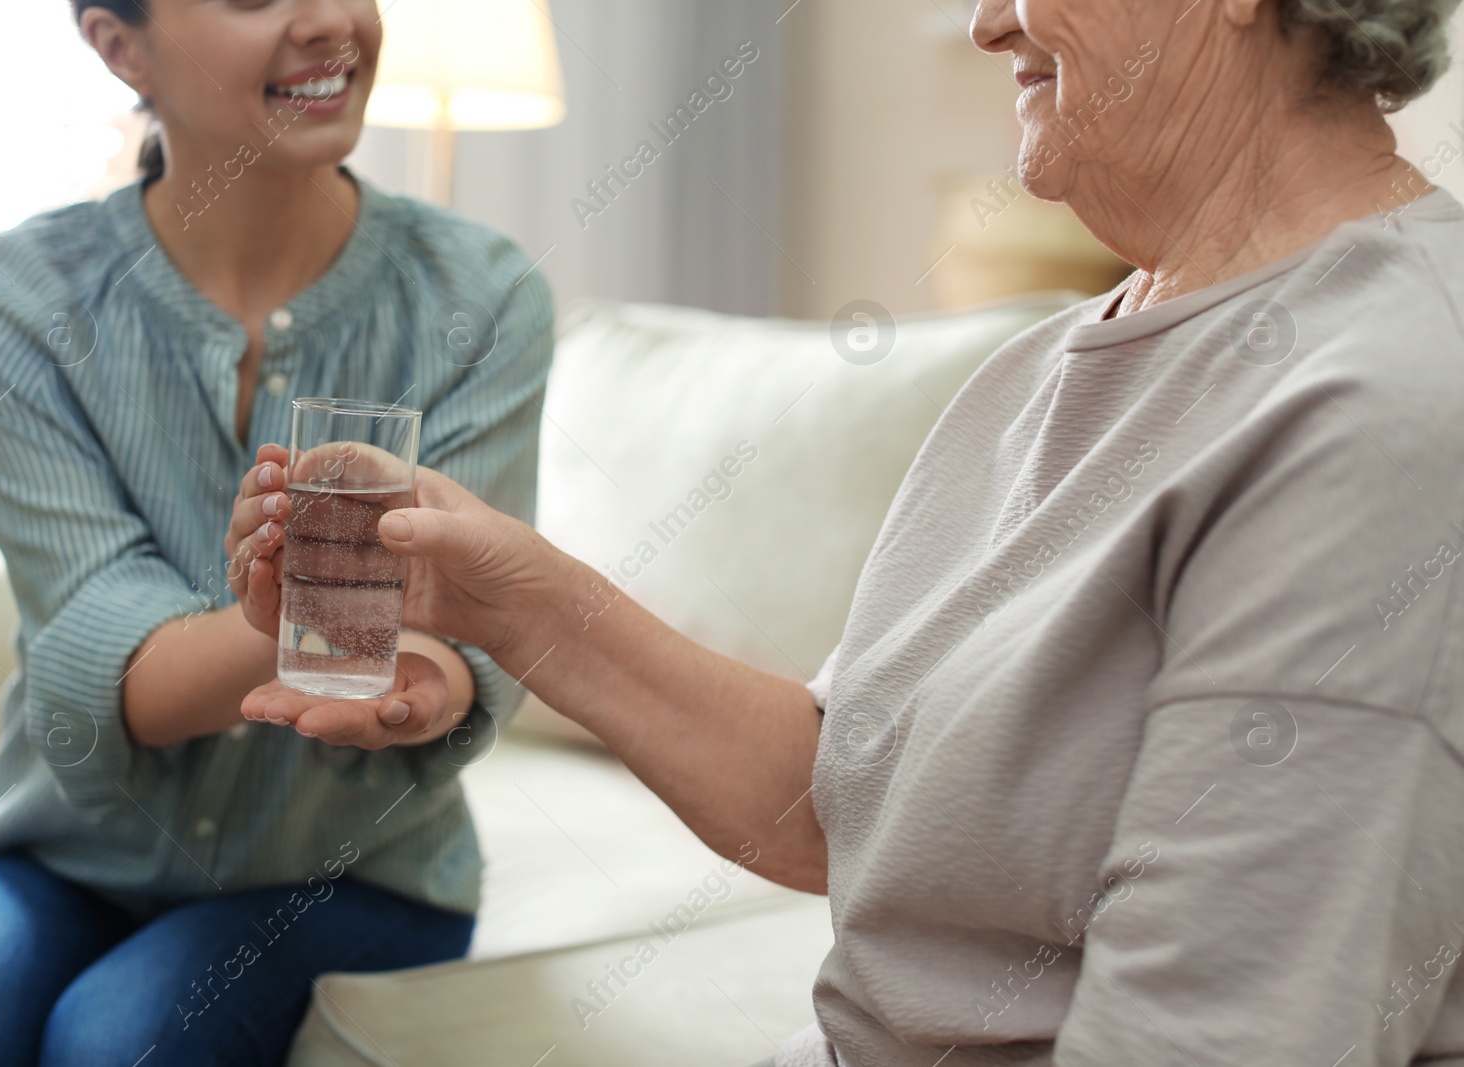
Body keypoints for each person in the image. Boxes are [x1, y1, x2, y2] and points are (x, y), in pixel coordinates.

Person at [245, 0, 1464, 1062]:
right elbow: (841, 801)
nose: (988, 22)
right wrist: (507, 596)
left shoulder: (1385, 402)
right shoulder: (1047, 365)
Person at [0, 1, 552, 1064]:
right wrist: (285, 619)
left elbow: (464, 635)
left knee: (116, 1037)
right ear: (117, 44)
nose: (330, 20)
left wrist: (428, 684)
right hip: (55, 849)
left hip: (350, 871)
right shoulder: (7, 303)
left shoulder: (483, 295)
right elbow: (104, 654)